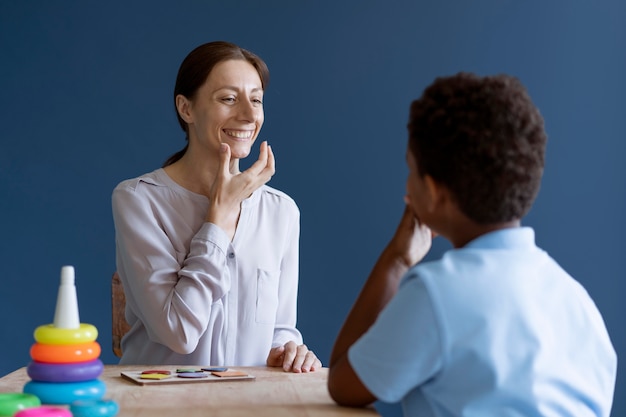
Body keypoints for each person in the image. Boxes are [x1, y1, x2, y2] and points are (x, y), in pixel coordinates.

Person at [327, 73, 617, 415]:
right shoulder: (577, 302)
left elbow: (342, 382)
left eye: (411, 169)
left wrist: (397, 261)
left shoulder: (435, 294)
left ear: (434, 192)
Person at [112, 41, 321, 372]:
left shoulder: (282, 211)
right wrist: (217, 223)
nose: (249, 115)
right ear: (187, 109)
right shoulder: (139, 200)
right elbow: (178, 333)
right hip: (159, 405)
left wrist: (289, 350)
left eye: (256, 100)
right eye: (228, 99)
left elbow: (278, 329)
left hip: (249, 405)